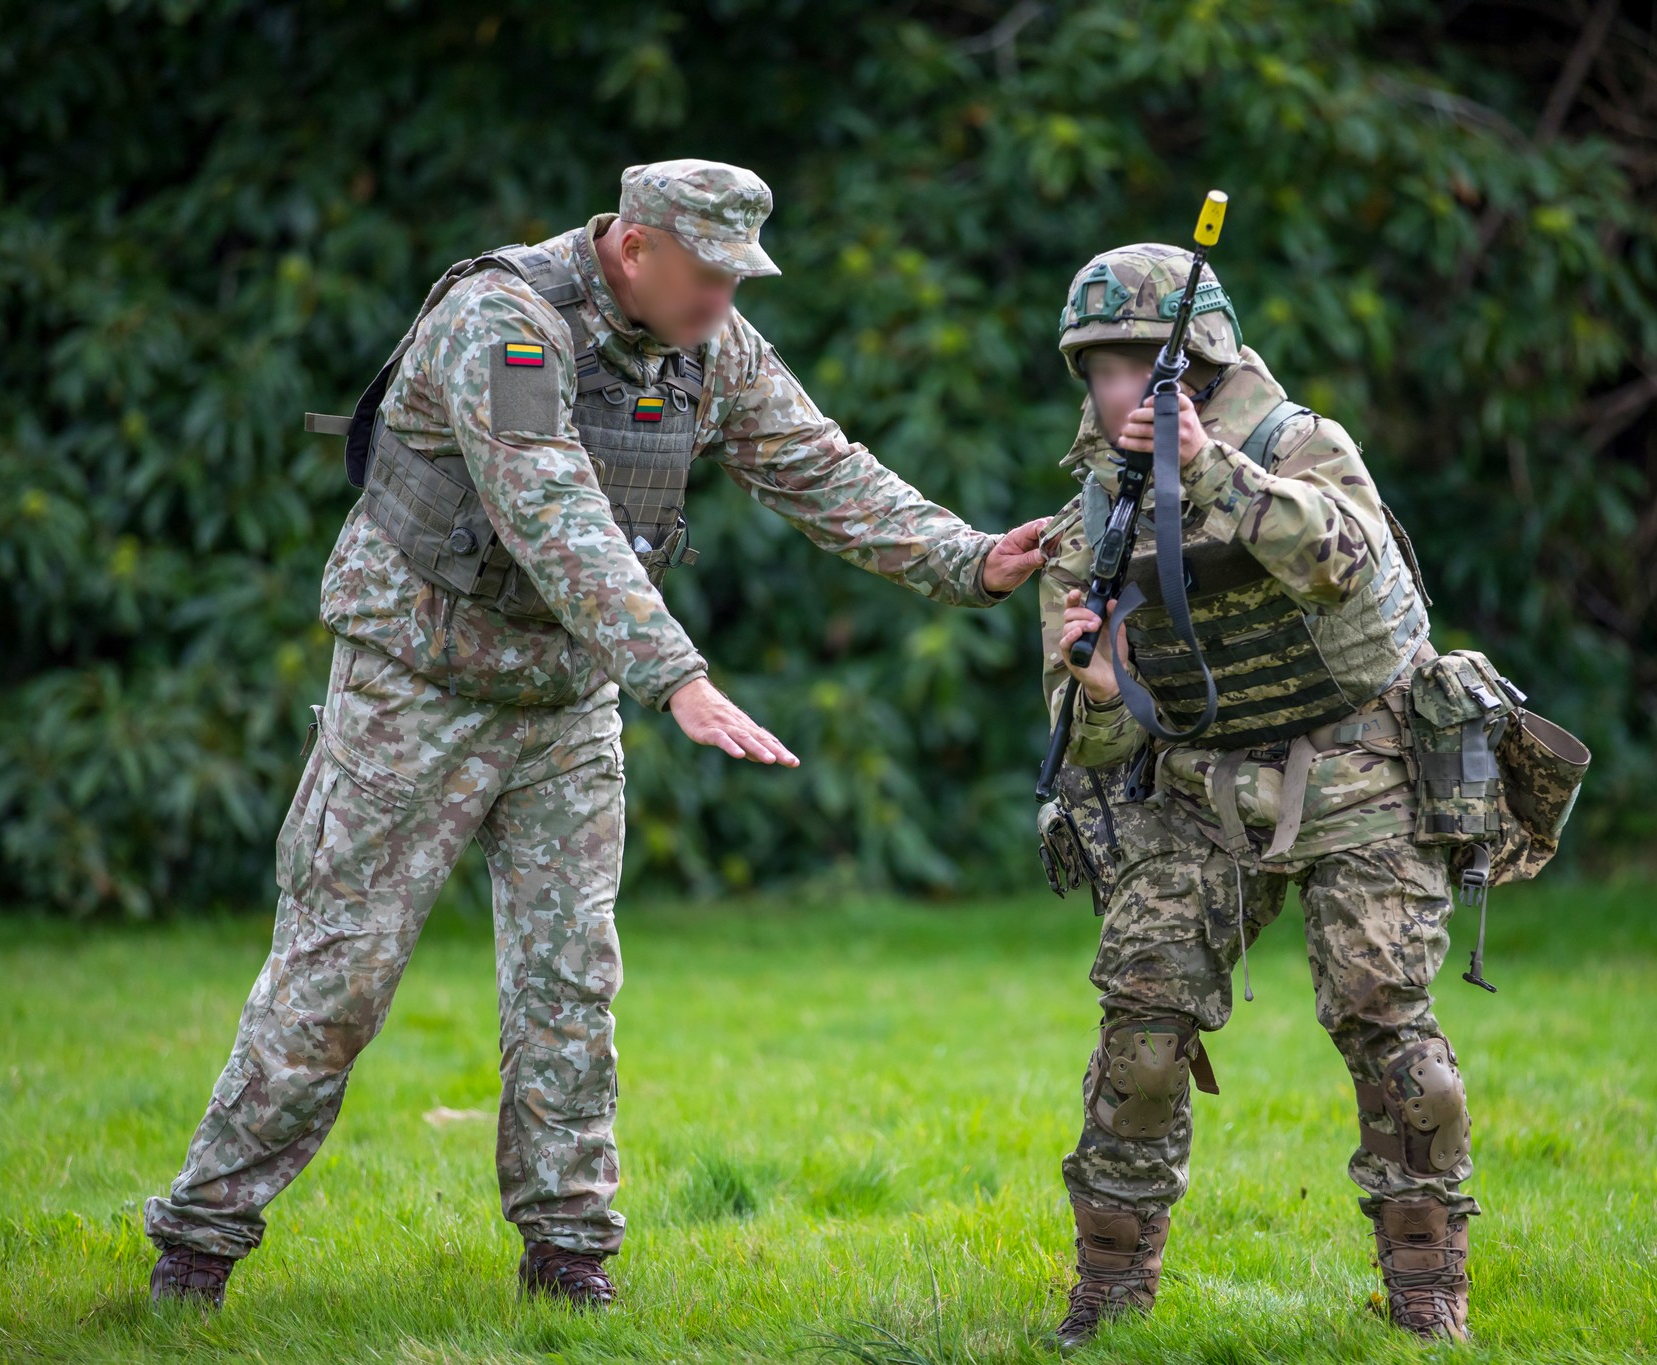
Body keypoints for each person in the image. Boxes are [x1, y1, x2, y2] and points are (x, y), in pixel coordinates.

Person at [144, 158, 1048, 1310]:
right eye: (708, 275)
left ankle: (568, 1258)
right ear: (632, 245)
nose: (724, 302)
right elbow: (546, 504)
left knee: (570, 984)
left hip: (564, 701)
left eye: (738, 278)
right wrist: (673, 675)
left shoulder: (705, 345)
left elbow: (816, 464)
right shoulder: (503, 322)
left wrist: (964, 558)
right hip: (416, 684)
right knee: (336, 977)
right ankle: (200, 1245)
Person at [1034, 242, 1500, 1346]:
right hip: (1199, 786)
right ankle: (1108, 1291)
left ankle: (1425, 1289)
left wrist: (1208, 473)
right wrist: (1098, 688)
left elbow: (1347, 557)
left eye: (1133, 364)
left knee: (1389, 1029)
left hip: (1363, 765)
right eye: (1093, 367)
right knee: (1139, 1033)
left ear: (1194, 364)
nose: (1111, 391)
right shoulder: (1091, 515)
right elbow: (1091, 746)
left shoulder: (1299, 447)